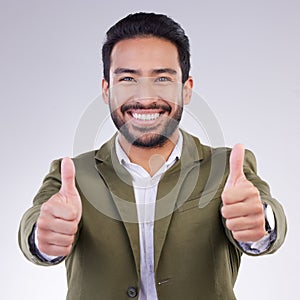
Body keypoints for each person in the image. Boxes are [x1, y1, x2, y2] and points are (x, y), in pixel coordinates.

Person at [18, 12, 287, 300]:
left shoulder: (224, 169)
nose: (145, 97)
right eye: (128, 78)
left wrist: (260, 226)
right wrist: (43, 239)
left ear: (186, 89)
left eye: (161, 78)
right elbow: (34, 225)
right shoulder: (72, 174)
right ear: (106, 90)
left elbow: (266, 217)